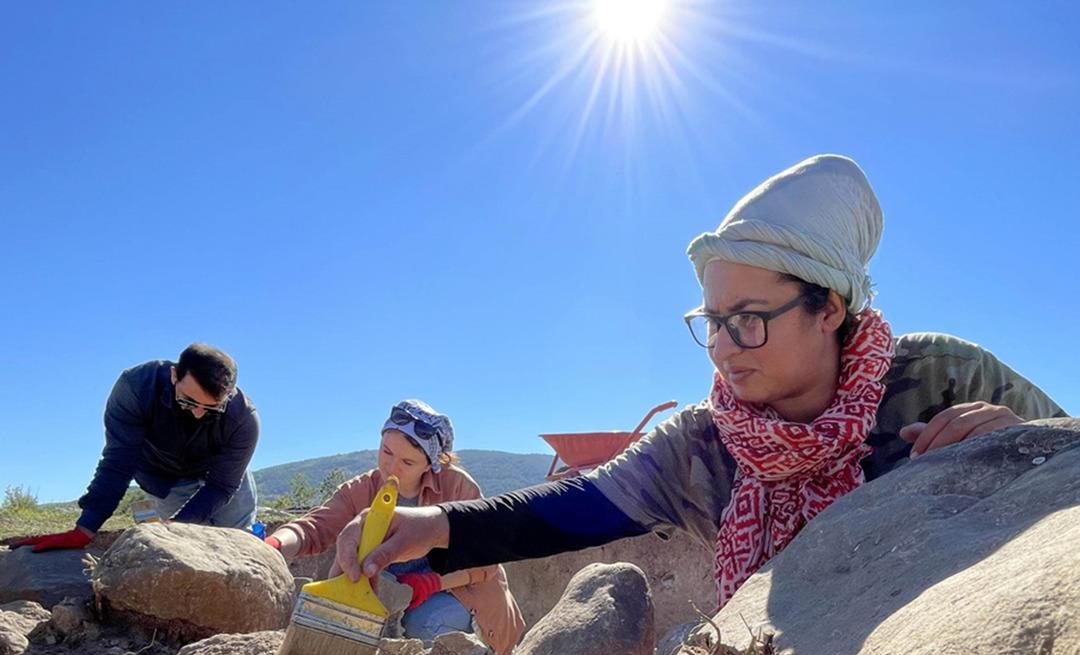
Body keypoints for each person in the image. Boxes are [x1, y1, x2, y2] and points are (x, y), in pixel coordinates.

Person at [330, 155, 1068, 612]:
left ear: (829, 308)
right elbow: (582, 504)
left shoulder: (943, 378)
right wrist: (440, 526)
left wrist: (1024, 454)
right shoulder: (704, 445)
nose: (720, 348)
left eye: (746, 319)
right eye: (711, 320)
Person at [265, 399, 526, 655]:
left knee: (426, 623)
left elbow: (487, 561)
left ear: (431, 463)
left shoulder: (458, 488)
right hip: (398, 598)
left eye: (407, 462)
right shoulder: (363, 489)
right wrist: (272, 547)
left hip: (462, 599)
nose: (391, 467)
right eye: (386, 452)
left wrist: (433, 582)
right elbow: (315, 527)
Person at [14, 343, 260, 551]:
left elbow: (220, 486)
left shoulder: (243, 418)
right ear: (174, 375)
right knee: (186, 547)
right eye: (189, 401)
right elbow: (119, 462)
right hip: (165, 480)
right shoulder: (136, 388)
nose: (197, 413)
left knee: (238, 544)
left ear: (228, 396)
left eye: (210, 408)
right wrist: (85, 528)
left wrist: (175, 526)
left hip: (223, 479)